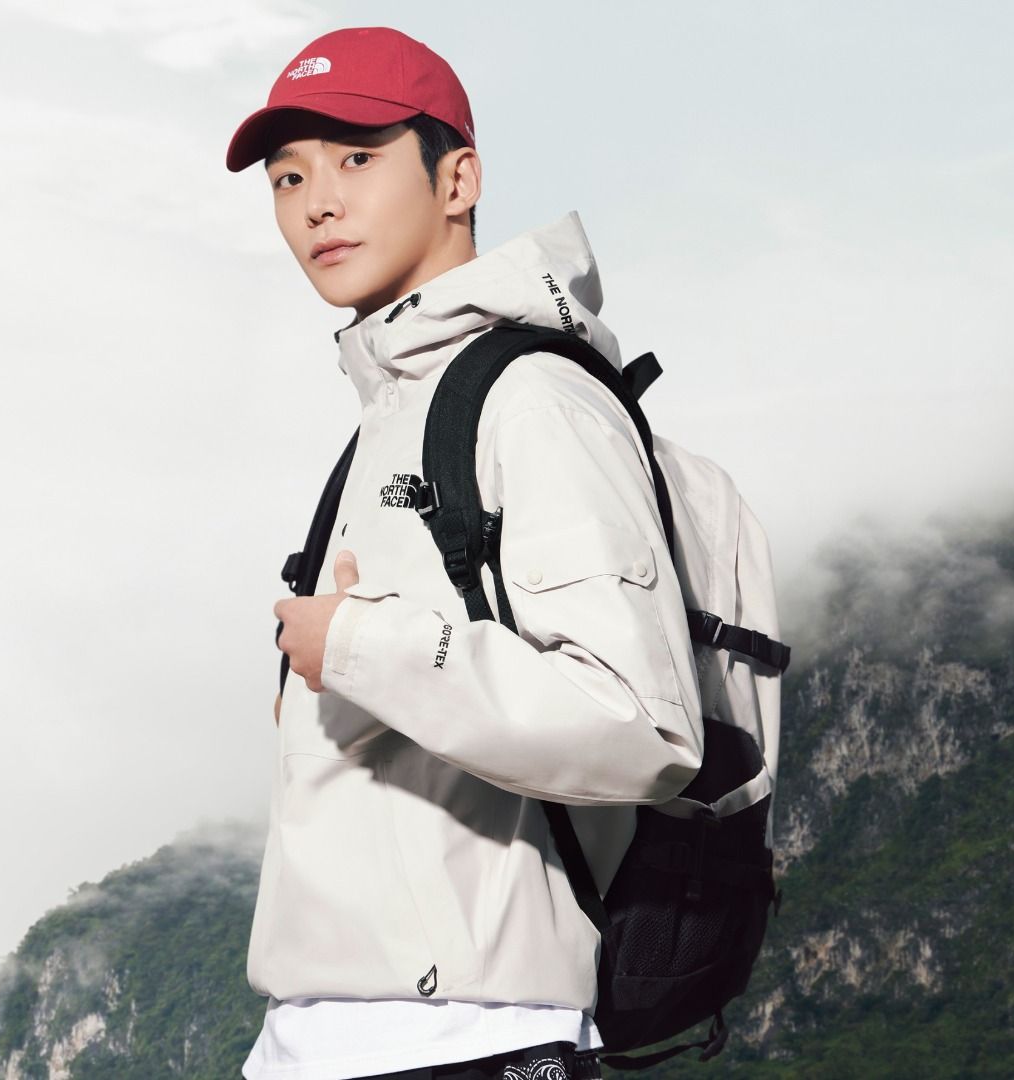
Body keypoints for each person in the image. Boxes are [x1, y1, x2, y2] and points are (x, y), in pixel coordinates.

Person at [226, 25, 704, 1080]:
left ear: (458, 180)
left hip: (470, 1038)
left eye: (357, 158)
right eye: (288, 177)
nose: (316, 204)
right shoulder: (390, 413)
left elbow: (640, 721)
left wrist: (362, 648)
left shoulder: (534, 398)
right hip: (312, 1042)